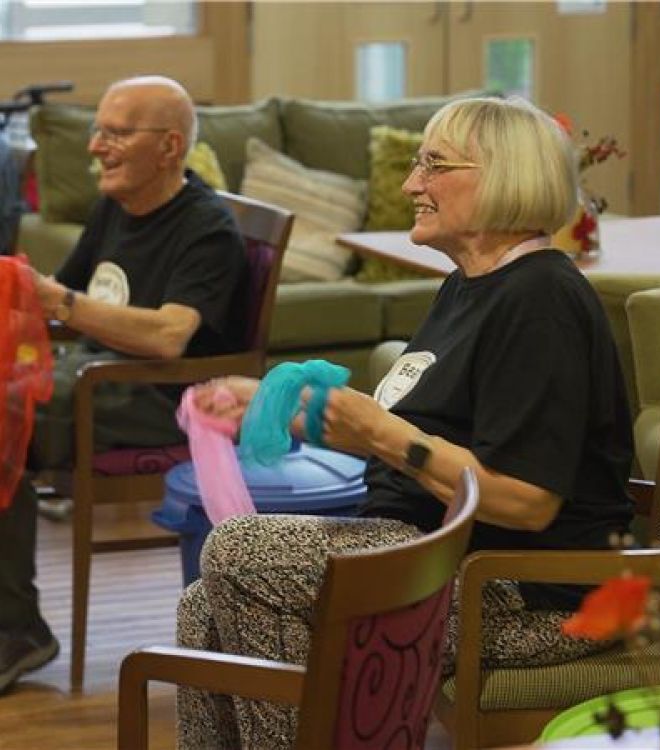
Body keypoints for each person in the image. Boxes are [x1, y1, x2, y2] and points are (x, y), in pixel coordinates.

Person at [175, 95, 634, 749]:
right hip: (433, 555)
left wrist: (381, 431)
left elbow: (525, 501)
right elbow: (420, 428)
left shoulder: (542, 301)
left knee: (240, 551)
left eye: (433, 166)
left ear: (504, 175)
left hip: (519, 590)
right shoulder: (470, 286)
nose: (410, 184)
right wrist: (282, 408)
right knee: (203, 604)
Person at [0, 75, 250, 693]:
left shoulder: (207, 228)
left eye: (115, 133)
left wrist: (58, 300)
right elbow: (63, 301)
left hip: (161, 399)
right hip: (94, 378)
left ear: (168, 147)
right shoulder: (117, 205)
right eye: (98, 130)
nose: (95, 147)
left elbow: (169, 336)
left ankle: (18, 631)